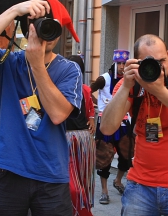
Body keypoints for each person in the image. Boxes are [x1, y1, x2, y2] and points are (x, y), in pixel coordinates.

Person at [0, 0, 82, 215]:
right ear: (26, 28)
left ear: (59, 33)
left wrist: (37, 64)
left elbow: (58, 114)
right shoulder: (9, 61)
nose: (45, 32)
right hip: (8, 172)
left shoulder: (70, 70)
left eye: (51, 26)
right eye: (39, 25)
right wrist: (15, 10)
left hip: (50, 176)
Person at [100, 34, 168, 215]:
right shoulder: (131, 83)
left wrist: (160, 92)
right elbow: (107, 128)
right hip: (140, 186)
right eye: (151, 63)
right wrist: (126, 86)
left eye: (162, 61)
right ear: (137, 63)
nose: (159, 68)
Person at [91, 49, 132, 205]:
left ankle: (118, 180)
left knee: (126, 156)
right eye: (119, 63)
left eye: (124, 63)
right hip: (106, 122)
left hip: (123, 123)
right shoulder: (105, 78)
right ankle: (104, 191)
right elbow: (89, 90)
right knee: (104, 157)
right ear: (115, 63)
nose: (122, 66)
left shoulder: (130, 80)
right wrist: (98, 106)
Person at [66, 55, 96, 216]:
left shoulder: (85, 89)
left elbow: (90, 107)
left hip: (81, 140)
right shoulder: (59, 87)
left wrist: (91, 118)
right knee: (72, 182)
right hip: (67, 139)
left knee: (81, 180)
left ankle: (82, 210)